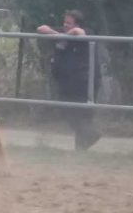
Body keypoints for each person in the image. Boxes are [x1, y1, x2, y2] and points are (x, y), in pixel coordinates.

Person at [37, 9, 101, 150]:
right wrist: (60, 34)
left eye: (69, 23)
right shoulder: (62, 31)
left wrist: (63, 35)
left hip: (85, 82)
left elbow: (79, 33)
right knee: (66, 110)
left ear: (77, 24)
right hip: (67, 82)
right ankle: (88, 137)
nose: (65, 25)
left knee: (83, 114)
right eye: (64, 22)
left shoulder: (87, 31)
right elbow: (41, 28)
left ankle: (82, 145)